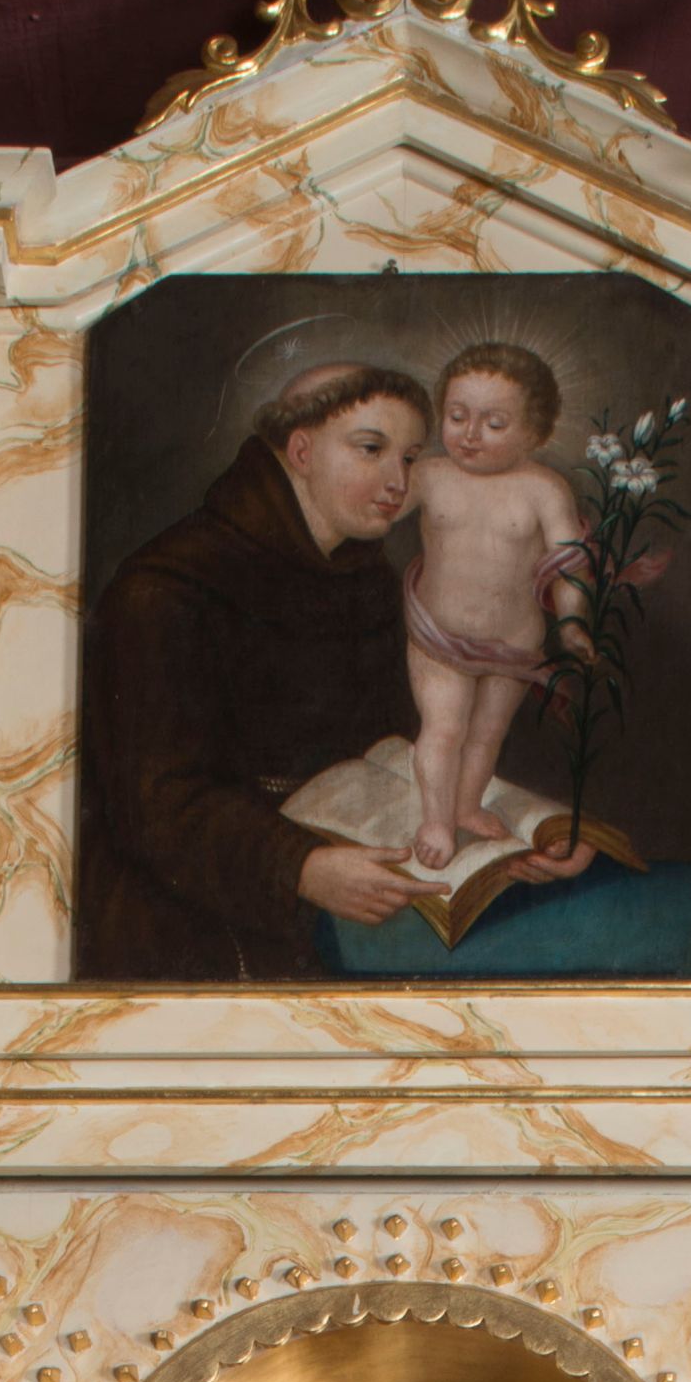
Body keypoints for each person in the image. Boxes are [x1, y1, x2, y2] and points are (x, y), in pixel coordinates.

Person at [78, 358, 585, 978]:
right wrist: (303, 868)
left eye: (409, 458)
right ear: (301, 451)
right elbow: (155, 806)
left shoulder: (364, 577)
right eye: (371, 450)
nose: (398, 481)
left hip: (362, 874)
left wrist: (518, 831)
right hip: (202, 918)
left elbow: (405, 746)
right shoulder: (166, 591)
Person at [403, 343, 589, 868]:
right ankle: (436, 821)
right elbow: (376, 507)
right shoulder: (428, 475)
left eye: (494, 423)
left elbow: (568, 564)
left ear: (536, 434)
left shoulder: (545, 489)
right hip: (437, 638)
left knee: (486, 735)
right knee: (444, 730)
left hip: (513, 647)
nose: (469, 434)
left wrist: (572, 623)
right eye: (457, 416)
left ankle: (466, 806)